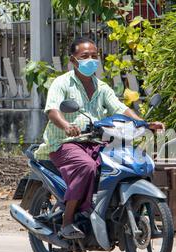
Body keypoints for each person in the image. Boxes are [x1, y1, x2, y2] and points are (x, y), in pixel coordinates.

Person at [34, 37, 164, 239]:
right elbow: (52, 110)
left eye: (94, 56)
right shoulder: (62, 83)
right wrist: (67, 126)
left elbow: (120, 108)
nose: (91, 60)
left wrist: (145, 124)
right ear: (73, 60)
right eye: (85, 56)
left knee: (122, 163)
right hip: (64, 143)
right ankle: (68, 221)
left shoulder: (101, 87)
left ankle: (103, 210)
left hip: (95, 141)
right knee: (87, 167)